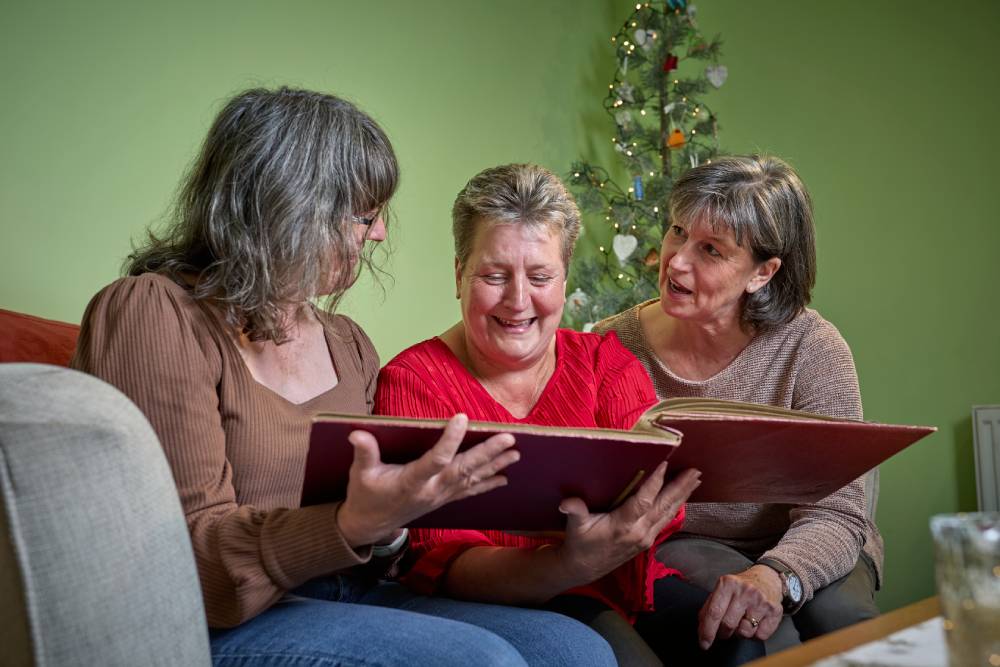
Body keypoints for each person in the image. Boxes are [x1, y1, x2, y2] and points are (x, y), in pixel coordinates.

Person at [71, 88, 620, 667]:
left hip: (354, 593)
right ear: (291, 209)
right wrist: (350, 522)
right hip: (216, 619)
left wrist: (393, 523)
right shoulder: (153, 312)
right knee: (480, 660)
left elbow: (384, 552)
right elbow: (191, 562)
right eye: (365, 214)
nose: (379, 233)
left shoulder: (348, 343)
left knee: (574, 649)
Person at [376, 163, 762, 666]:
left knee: (743, 648)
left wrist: (606, 539)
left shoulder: (606, 363)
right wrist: (566, 557)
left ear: (564, 279)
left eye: (540, 277)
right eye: (494, 276)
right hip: (503, 601)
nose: (518, 301)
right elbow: (437, 560)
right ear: (458, 274)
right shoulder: (411, 382)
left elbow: (664, 499)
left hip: (622, 584)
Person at [593, 155, 882, 655]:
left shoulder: (814, 349)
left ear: (762, 272)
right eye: (677, 231)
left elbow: (838, 511)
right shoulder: (609, 346)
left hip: (817, 532)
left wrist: (777, 575)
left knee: (847, 627)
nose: (677, 260)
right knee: (765, 639)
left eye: (710, 249)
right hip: (687, 543)